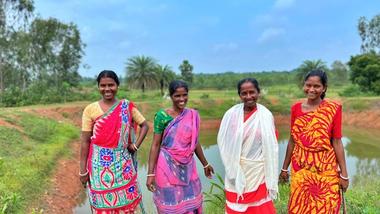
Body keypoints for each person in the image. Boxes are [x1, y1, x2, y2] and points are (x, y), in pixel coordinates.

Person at [279, 69, 349, 214]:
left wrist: (344, 174)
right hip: (301, 167)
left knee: (326, 206)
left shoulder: (333, 109)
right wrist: (284, 168)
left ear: (324, 88)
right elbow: (293, 140)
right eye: (308, 85)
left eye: (316, 86)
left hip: (326, 168)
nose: (311, 89)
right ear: (304, 86)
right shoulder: (296, 109)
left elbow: (337, 142)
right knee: (300, 206)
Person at [79, 70, 149, 213]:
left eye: (111, 85)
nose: (107, 89)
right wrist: (82, 171)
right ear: (98, 87)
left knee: (130, 204)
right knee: (103, 207)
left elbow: (145, 125)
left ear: (117, 85)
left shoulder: (126, 107)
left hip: (124, 166)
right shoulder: (90, 109)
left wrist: (135, 146)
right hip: (98, 168)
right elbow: (85, 141)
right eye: (103, 85)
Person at [146, 80, 214, 214]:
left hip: (188, 166)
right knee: (170, 204)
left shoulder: (192, 115)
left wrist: (205, 164)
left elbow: (194, 142)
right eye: (177, 96)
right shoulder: (162, 116)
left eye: (185, 95)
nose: (182, 99)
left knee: (191, 203)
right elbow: (155, 145)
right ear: (171, 96)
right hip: (165, 166)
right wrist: (150, 173)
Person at [217, 78, 278, 214]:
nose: (248, 96)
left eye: (252, 92)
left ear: (258, 93)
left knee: (259, 205)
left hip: (258, 170)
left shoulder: (266, 115)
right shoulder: (231, 115)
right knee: (236, 204)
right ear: (239, 95)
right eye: (244, 93)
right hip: (235, 168)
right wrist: (232, 165)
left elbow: (272, 144)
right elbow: (224, 142)